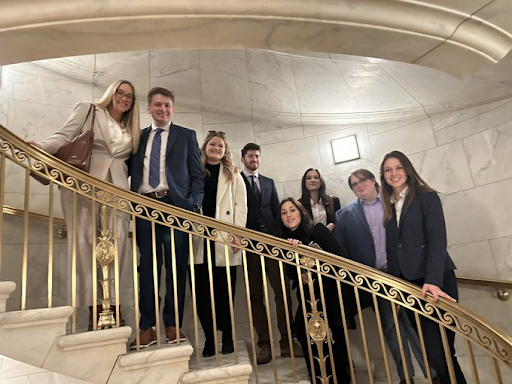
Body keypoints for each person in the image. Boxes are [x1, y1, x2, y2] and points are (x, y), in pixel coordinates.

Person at [29, 80, 140, 329]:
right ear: (110, 93)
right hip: (84, 189)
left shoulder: (131, 127)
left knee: (118, 250)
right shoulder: (89, 109)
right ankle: (94, 310)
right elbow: (64, 134)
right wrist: (41, 149)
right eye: (119, 92)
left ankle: (114, 306)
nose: (123, 98)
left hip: (117, 194)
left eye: (129, 96)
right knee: (85, 247)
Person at [335, 168, 439, 384]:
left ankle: (433, 374)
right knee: (391, 329)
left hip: (403, 275)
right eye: (354, 184)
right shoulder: (343, 215)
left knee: (415, 326)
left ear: (374, 180)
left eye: (362, 180)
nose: (359, 186)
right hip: (374, 282)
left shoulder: (393, 203)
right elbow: (343, 253)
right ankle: (406, 377)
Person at [380, 150, 466, 384]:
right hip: (409, 286)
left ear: (407, 169)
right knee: (432, 353)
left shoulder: (426, 197)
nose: (393, 173)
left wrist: (434, 282)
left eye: (398, 167)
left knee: (442, 352)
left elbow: (437, 240)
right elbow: (392, 253)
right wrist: (396, 288)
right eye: (388, 170)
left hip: (434, 282)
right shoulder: (389, 207)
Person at [128, 87, 204, 349]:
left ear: (173, 108)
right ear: (148, 108)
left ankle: (173, 324)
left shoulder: (186, 136)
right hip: (144, 206)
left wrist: (193, 204)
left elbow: (197, 174)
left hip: (175, 206)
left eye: (168, 105)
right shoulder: (138, 138)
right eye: (158, 105)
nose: (163, 109)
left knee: (176, 267)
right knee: (147, 267)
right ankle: (146, 327)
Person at [279, 198, 354, 384]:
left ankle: (338, 377)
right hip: (307, 297)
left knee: (326, 337)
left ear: (300, 212)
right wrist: (294, 257)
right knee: (303, 332)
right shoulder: (285, 241)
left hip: (328, 293)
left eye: (292, 210)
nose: (288, 215)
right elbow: (291, 275)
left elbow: (341, 259)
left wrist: (311, 263)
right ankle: (319, 377)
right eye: (284, 212)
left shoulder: (317, 230)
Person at [240, 143, 302, 364]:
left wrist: (281, 240)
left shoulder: (268, 182)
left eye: (257, 156)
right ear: (243, 159)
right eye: (250, 156)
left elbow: (277, 210)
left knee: (283, 292)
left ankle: (287, 342)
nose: (254, 159)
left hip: (272, 244)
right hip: (249, 245)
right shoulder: (236, 181)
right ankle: (264, 344)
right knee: (256, 295)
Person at [192, 131, 247, 357]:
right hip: (197, 239)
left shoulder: (233, 174)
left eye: (220, 146)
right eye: (212, 144)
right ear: (205, 147)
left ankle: (227, 335)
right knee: (201, 293)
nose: (216, 148)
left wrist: (238, 235)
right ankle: (209, 338)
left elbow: (241, 206)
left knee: (225, 291)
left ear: (225, 151)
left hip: (224, 239)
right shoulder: (194, 171)